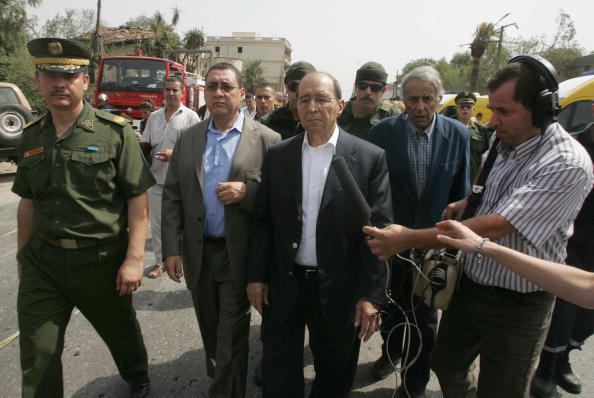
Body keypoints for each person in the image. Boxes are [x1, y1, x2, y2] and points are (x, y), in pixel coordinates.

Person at [364, 57, 593, 398]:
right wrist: (464, 202)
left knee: (502, 388)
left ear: (541, 108)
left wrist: (409, 238)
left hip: (520, 300)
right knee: (446, 364)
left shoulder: (565, 163)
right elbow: (480, 191)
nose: (491, 119)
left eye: (503, 111)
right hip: (471, 287)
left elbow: (497, 225)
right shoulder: (503, 142)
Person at [13, 38, 155, 398]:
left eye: (70, 75)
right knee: (38, 354)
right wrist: (22, 255)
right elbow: (27, 202)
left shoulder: (115, 132)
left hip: (100, 262)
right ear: (39, 79)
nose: (59, 83)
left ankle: (138, 374)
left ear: (86, 81)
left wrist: (134, 259)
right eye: (50, 75)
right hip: (43, 262)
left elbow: (138, 201)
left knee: (121, 334)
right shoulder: (31, 136)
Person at [247, 71, 393, 397]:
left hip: (340, 288)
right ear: (295, 105)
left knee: (334, 375)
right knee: (279, 373)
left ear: (339, 105)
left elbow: (379, 233)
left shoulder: (369, 159)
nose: (312, 107)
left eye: (322, 99)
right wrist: (256, 276)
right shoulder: (279, 155)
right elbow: (264, 221)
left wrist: (371, 295)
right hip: (285, 283)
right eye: (304, 99)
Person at [161, 62, 280, 398]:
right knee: (212, 332)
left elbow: (278, 199)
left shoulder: (267, 139)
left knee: (231, 331)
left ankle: (225, 391)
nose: (218, 93)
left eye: (226, 86)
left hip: (238, 255)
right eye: (212, 86)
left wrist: (248, 193)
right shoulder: (189, 138)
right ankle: (226, 378)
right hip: (199, 253)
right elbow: (172, 195)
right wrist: (170, 249)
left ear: (242, 94)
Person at [367, 66, 469, 397]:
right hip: (392, 244)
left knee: (426, 322)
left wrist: (453, 244)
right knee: (392, 313)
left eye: (428, 99)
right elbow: (373, 192)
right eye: (413, 99)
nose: (420, 107)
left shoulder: (458, 134)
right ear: (402, 100)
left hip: (434, 246)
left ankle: (414, 386)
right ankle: (392, 352)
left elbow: (460, 192)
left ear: (439, 98)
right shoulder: (382, 133)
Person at [530, 121, 594, 397]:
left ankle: (565, 355)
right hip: (574, 240)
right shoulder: (573, 146)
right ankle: (547, 368)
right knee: (565, 308)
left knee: (588, 317)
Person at [435, 219, 594, 310]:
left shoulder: (568, 165)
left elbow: (587, 287)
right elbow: (587, 286)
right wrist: (484, 246)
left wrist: (483, 246)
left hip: (523, 302)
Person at [139, 77, 199, 278]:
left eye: (175, 90)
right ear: (162, 92)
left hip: (182, 183)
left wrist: (175, 155)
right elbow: (144, 145)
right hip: (155, 181)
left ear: (182, 92)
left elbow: (199, 150)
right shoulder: (153, 118)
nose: (171, 93)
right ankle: (159, 262)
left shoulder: (191, 117)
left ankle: (184, 259)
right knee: (157, 225)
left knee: (184, 224)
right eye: (167, 90)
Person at [338, 61, 400, 140]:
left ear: (383, 91)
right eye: (363, 86)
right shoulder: (339, 112)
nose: (368, 92)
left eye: (375, 87)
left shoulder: (392, 115)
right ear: (355, 87)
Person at [261, 61, 316, 139]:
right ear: (286, 88)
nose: (299, 93)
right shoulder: (268, 122)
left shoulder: (323, 122)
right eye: (294, 86)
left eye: (306, 86)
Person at [452, 91, 493, 181]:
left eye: (469, 107)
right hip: (451, 179)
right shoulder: (447, 128)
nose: (465, 109)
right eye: (462, 106)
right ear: (457, 109)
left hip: (472, 179)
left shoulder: (481, 131)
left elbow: (485, 157)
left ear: (474, 109)